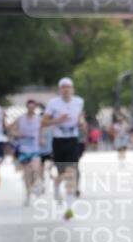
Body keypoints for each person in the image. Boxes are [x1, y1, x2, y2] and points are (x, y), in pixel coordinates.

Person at [41, 77, 87, 220]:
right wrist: (58, 120)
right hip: (58, 141)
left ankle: (69, 208)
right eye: (63, 87)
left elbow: (80, 117)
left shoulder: (79, 101)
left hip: (73, 140)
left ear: (72, 89)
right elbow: (44, 122)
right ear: (60, 89)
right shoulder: (53, 103)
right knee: (63, 173)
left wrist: (82, 123)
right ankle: (56, 183)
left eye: (68, 87)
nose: (66, 89)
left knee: (71, 173)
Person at [9, 99, 43, 203]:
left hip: (35, 149)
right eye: (29, 107)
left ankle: (35, 186)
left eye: (33, 107)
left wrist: (43, 138)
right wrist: (18, 134)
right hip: (24, 150)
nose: (31, 109)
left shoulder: (39, 119)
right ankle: (28, 193)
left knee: (35, 169)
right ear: (27, 107)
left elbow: (43, 130)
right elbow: (11, 130)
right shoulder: (20, 119)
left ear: (35, 108)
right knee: (27, 173)